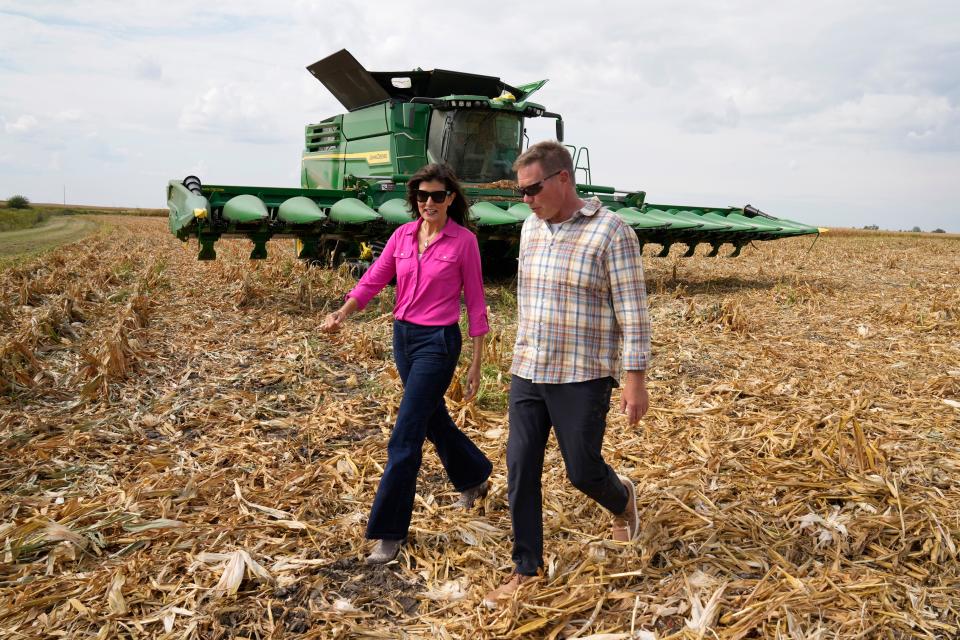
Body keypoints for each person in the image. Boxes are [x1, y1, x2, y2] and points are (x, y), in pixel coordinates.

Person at [482, 141, 651, 608]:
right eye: (521, 192)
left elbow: (633, 313)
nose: (526, 199)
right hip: (530, 369)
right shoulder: (530, 230)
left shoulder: (612, 232)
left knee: (582, 470)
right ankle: (526, 568)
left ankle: (621, 500)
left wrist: (635, 379)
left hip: (582, 373)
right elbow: (526, 301)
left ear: (562, 179)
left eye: (533, 188)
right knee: (520, 469)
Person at [321, 163, 493, 564]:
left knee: (405, 434)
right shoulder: (402, 236)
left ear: (450, 198)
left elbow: (478, 301)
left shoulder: (463, 242)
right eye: (421, 196)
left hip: (438, 343)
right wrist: (342, 314)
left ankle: (388, 531)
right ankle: (474, 475)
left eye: (436, 196)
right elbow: (374, 280)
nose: (428, 203)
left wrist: (476, 363)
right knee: (432, 419)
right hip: (404, 339)